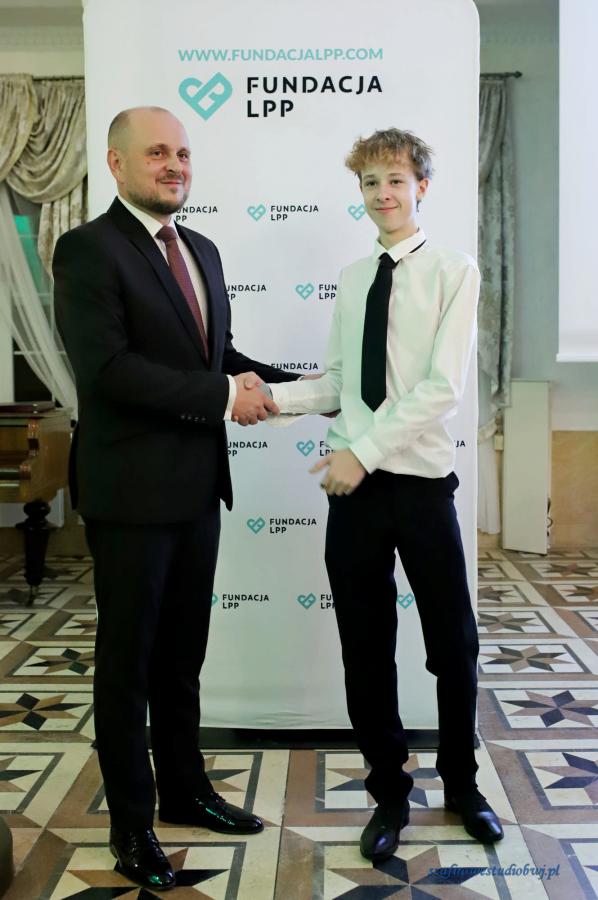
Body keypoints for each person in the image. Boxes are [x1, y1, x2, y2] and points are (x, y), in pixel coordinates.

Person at [53, 106, 298, 892]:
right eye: (158, 152)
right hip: (129, 494)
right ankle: (132, 825)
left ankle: (186, 792)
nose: (175, 165)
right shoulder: (87, 249)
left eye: (183, 154)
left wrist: (306, 390)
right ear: (117, 163)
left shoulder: (202, 249)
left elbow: (216, 356)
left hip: (197, 490)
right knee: (128, 667)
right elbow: (109, 371)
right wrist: (226, 397)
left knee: (182, 659)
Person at [268, 128, 503, 862]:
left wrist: (361, 454)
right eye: (370, 182)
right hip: (356, 497)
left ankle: (463, 786)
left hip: (420, 486)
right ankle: (389, 795)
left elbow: (441, 389)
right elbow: (342, 383)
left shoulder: (454, 271)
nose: (382, 194)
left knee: (453, 646)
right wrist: (268, 399)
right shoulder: (352, 277)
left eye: (395, 180)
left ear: (421, 186)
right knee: (365, 651)